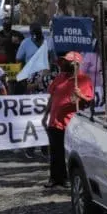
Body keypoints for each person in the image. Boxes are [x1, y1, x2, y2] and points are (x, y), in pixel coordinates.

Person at [41, 51, 93, 188]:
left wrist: (80, 95)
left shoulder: (84, 80)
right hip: (55, 121)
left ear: (75, 64)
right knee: (55, 151)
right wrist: (45, 115)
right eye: (63, 61)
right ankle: (55, 178)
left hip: (71, 123)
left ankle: (67, 179)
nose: (63, 64)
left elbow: (89, 101)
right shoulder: (59, 77)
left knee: (68, 152)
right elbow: (52, 97)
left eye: (67, 62)